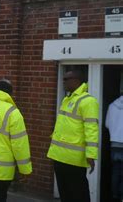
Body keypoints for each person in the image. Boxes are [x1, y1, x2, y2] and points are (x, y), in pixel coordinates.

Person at [47, 70, 98, 202]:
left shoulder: (88, 101)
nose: (63, 82)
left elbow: (91, 129)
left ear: (76, 81)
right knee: (65, 194)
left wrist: (91, 155)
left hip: (74, 159)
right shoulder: (67, 99)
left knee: (78, 194)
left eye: (66, 79)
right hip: (59, 156)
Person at [105, 91, 123, 201]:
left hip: (114, 144)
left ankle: (115, 196)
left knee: (116, 172)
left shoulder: (112, 106)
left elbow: (107, 124)